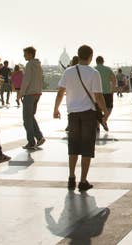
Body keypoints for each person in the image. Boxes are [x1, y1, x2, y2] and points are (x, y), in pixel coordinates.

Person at [53, 44, 106, 191]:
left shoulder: (68, 72)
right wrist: (105, 111)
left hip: (73, 114)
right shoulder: (94, 73)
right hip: (88, 113)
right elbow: (98, 96)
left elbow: (60, 92)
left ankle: (71, 177)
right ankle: (83, 180)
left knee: (73, 146)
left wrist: (56, 109)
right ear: (90, 56)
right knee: (87, 148)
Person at [19, 46, 45, 150]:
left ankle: (31, 142)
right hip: (37, 94)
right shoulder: (38, 65)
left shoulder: (29, 64)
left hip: (29, 94)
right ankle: (39, 137)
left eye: (25, 54)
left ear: (30, 54)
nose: (24, 56)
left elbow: (26, 80)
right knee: (30, 116)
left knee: (27, 119)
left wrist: (21, 93)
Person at [95, 56, 116, 124]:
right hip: (107, 92)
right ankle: (104, 119)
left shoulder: (93, 70)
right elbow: (114, 80)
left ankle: (97, 125)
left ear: (96, 62)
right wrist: (112, 90)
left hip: (96, 93)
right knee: (109, 107)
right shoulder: (108, 69)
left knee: (98, 109)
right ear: (103, 61)